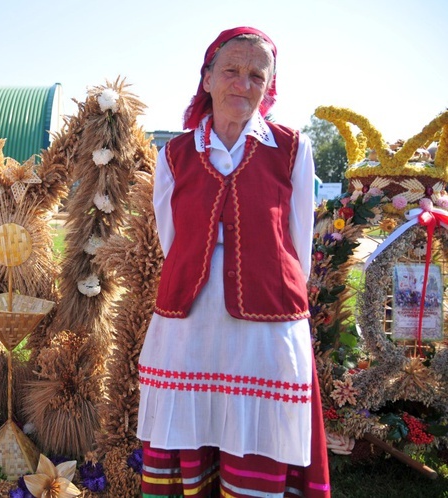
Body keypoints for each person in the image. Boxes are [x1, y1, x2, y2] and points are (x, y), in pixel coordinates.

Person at [137, 27, 330, 497]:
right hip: (191, 313)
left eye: (255, 75)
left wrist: (268, 283)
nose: (242, 84)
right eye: (231, 71)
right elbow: (172, 238)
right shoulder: (175, 154)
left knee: (258, 431)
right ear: (206, 80)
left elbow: (298, 242)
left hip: (266, 318)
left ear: (269, 87)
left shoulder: (291, 149)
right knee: (191, 426)